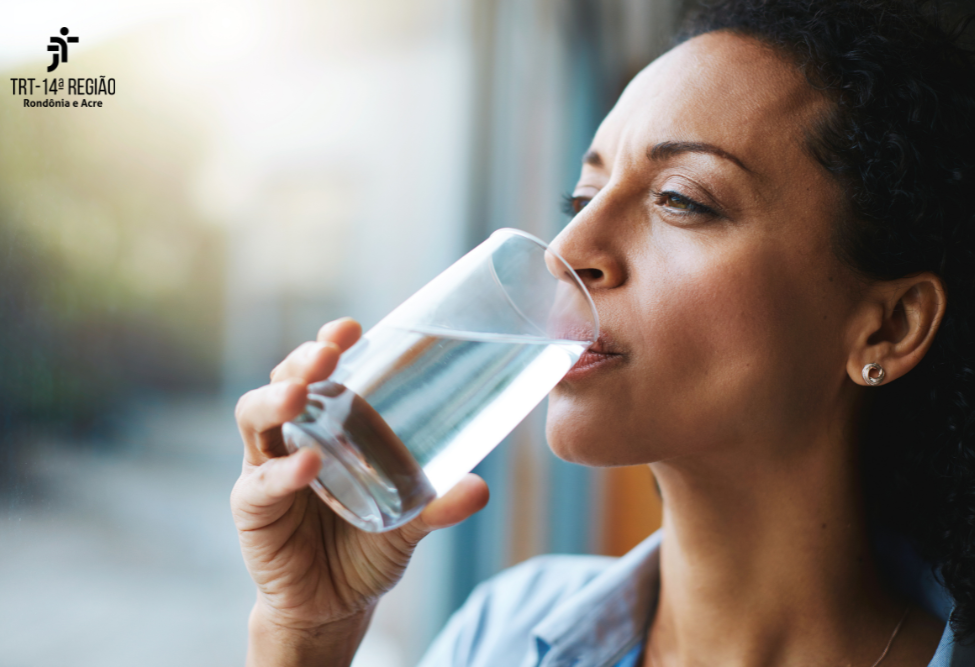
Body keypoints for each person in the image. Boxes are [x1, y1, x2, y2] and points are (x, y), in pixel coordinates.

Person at [230, 0, 975, 664]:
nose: (566, 251)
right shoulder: (502, 634)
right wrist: (307, 635)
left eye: (681, 199)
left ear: (888, 327)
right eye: (582, 195)